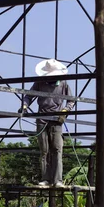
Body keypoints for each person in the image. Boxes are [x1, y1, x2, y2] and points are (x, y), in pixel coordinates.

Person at [18, 59, 75, 187]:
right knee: (44, 151)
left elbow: (71, 100)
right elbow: (28, 96)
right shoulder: (39, 83)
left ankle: (57, 180)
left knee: (57, 150)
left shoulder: (63, 84)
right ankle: (46, 179)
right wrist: (24, 106)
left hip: (57, 120)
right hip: (42, 119)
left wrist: (65, 111)